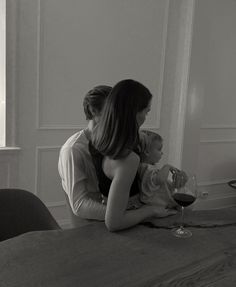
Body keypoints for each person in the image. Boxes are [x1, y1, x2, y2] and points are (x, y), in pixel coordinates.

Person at [90, 79, 181, 231]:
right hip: (130, 220)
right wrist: (151, 210)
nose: (146, 117)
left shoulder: (97, 137)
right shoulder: (128, 159)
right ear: (134, 113)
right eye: (146, 111)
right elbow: (114, 223)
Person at [58, 85, 112, 221]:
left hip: (116, 219)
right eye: (112, 111)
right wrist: (121, 216)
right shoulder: (73, 149)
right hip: (89, 226)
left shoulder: (113, 144)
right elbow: (80, 204)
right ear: (94, 111)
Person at [138, 130, 187, 208]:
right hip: (155, 205)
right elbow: (159, 180)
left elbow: (161, 185)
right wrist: (167, 166)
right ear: (147, 152)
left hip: (160, 204)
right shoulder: (145, 168)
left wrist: (175, 184)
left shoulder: (150, 167)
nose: (162, 153)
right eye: (159, 149)